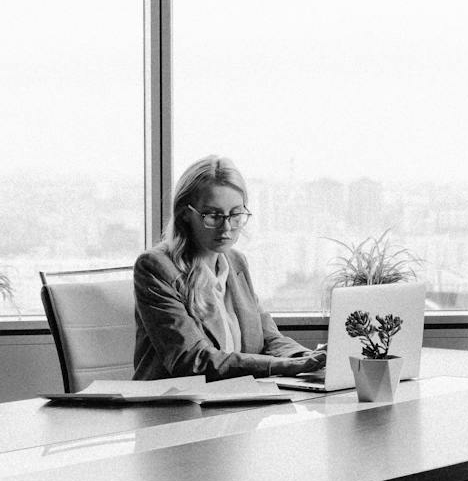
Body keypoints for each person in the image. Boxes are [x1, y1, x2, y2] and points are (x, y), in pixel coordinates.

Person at [133, 155, 327, 381]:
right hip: (174, 409)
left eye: (235, 214)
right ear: (186, 214)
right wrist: (281, 366)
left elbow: (269, 338)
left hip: (234, 403)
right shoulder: (156, 268)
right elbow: (192, 361)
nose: (226, 227)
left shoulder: (236, 263)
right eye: (213, 216)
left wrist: (311, 358)